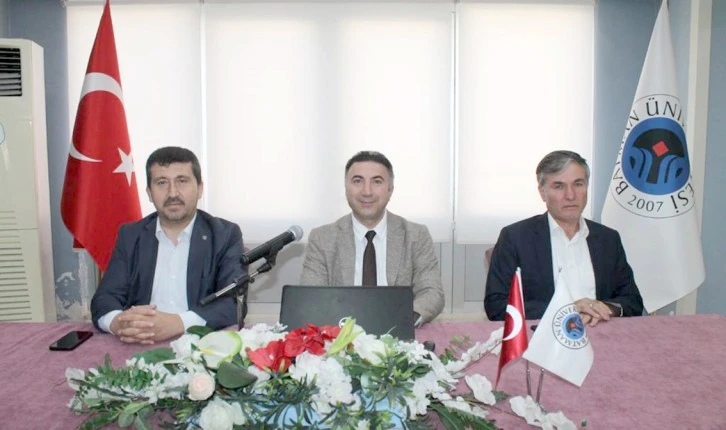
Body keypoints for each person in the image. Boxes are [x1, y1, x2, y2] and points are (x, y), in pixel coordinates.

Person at [91, 146, 245, 344]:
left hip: (199, 343)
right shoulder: (131, 235)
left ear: (200, 189)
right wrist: (118, 323)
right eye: (162, 182)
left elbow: (234, 302)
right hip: (140, 342)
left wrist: (178, 323)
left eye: (182, 181)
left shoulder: (224, 235)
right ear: (149, 192)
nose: (173, 192)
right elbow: (105, 297)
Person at [484, 150, 643, 326]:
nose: (570, 195)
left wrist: (604, 308)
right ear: (542, 192)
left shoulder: (608, 239)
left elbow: (633, 301)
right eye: (559, 186)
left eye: (578, 184)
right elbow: (496, 306)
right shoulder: (516, 238)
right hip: (542, 337)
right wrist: (567, 309)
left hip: (602, 332)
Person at [300, 151, 445, 325]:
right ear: (346, 189)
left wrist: (404, 318)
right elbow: (312, 297)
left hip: (398, 329)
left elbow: (432, 292)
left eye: (377, 181)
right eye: (357, 181)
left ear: (390, 189)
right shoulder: (322, 238)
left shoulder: (416, 235)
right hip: (340, 332)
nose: (367, 191)